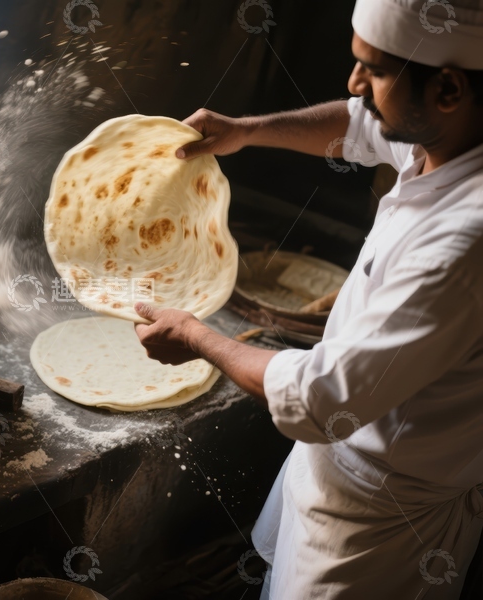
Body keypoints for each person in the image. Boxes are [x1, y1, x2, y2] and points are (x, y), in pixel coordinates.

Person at [133, 0, 483, 597]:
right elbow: (357, 125)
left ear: (447, 87)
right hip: (333, 470)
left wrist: (197, 337)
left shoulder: (464, 244)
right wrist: (247, 131)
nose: (354, 84)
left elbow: (320, 397)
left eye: (371, 70)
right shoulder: (447, 137)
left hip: (379, 525)